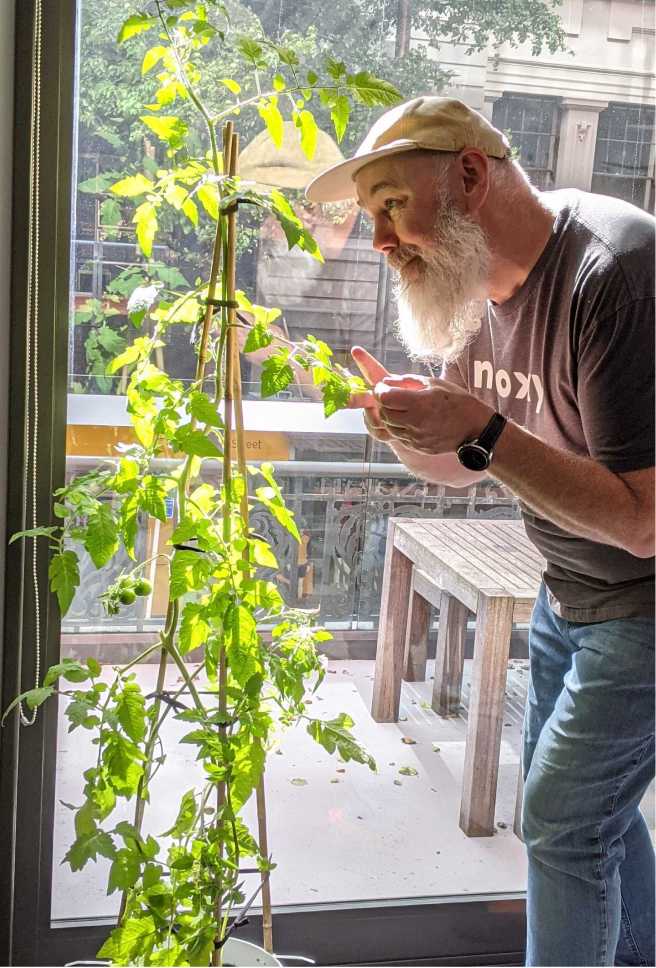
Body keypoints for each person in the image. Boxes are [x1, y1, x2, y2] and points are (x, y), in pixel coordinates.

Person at [306, 96, 655, 967]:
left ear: (469, 174)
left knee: (560, 825)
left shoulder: (614, 271)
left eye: (390, 204)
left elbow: (646, 524)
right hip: (569, 591)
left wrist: (485, 431)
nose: (380, 242)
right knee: (588, 817)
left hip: (646, 604)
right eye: (371, 216)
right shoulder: (472, 289)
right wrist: (418, 431)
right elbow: (466, 461)